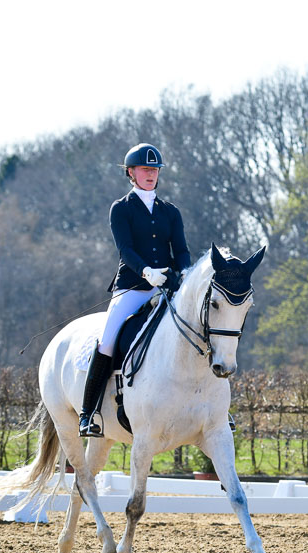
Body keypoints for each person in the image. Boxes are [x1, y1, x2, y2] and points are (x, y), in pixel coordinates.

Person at [79, 142, 191, 437]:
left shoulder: (171, 211)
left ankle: (215, 409)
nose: (151, 174)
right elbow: (125, 249)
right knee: (107, 340)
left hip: (167, 288)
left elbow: (181, 250)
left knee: (197, 330)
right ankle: (88, 413)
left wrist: (182, 274)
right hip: (132, 287)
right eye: (145, 169)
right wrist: (146, 271)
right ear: (131, 173)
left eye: (154, 169)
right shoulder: (121, 208)